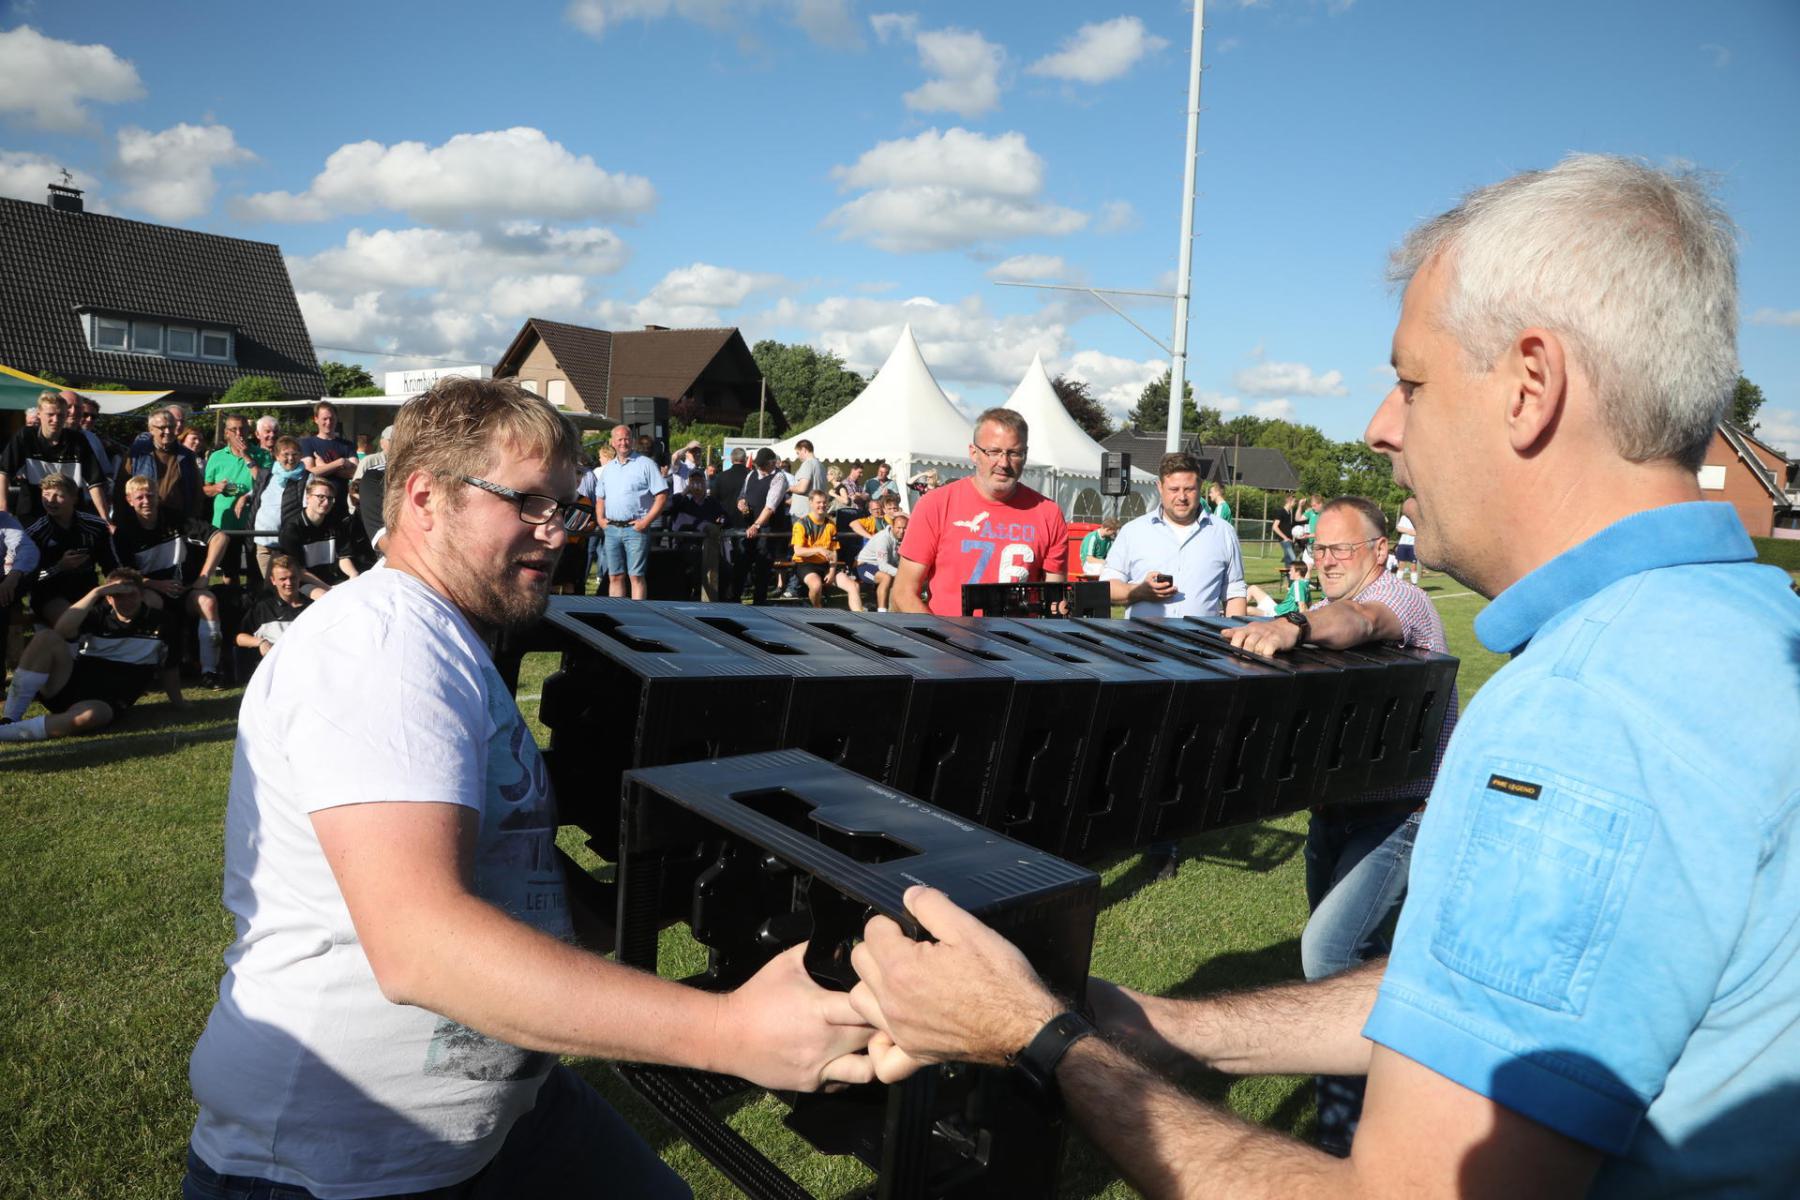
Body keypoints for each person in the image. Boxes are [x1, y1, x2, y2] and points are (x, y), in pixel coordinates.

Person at [845, 155, 1800, 1198]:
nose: (1382, 425)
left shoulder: (1588, 710)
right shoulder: (1743, 625)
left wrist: (1043, 1041)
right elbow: (1479, 1004)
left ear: (1532, 385)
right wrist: (1160, 1024)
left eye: (1412, 382)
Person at [183, 375, 874, 1198]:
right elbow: (421, 948)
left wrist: (693, 886)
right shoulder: (382, 646)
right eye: (530, 503)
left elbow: (518, 887)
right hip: (340, 1156)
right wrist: (729, 1032)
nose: (557, 531)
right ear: (425, 497)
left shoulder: (445, 639)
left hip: (494, 1120)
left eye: (567, 508)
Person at [1239, 494, 1462, 1157]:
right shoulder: (1325, 608)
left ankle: (1349, 1140)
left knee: (1328, 954)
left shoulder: (1401, 600)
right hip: (1335, 814)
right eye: (1319, 548)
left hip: (1400, 815)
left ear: (1380, 551)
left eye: (1342, 548)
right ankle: (1409, 1087)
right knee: (1355, 968)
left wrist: (1293, 624)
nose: (1327, 559)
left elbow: (1362, 619)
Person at [893, 410, 1067, 616]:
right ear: (974, 452)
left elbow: (1054, 602)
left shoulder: (1048, 514)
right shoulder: (936, 504)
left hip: (1019, 636)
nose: (1003, 463)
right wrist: (939, 634)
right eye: (993, 451)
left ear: (1025, 455)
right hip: (948, 635)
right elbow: (903, 592)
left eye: (1014, 453)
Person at [0, 567, 181, 741]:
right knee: (46, 637)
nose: (126, 601)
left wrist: (178, 702)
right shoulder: (98, 614)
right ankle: (10, 718)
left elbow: (170, 666)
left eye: (132, 595)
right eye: (118, 595)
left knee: (88, 717)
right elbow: (62, 630)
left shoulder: (162, 622)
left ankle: (5, 733)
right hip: (70, 684)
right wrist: (95, 592)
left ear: (141, 595)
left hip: (107, 699)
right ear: (108, 598)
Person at [1099, 451, 1248, 619]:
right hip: (1144, 635)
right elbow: (1107, 588)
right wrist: (1139, 591)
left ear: (1200, 486)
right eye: (1174, 489)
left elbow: (1234, 593)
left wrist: (1234, 633)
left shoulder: (1223, 532)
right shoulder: (1133, 531)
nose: (1182, 497)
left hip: (1202, 636)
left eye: (1189, 489)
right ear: (1160, 487)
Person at [112, 475, 226, 689]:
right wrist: (156, 584)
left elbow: (220, 537)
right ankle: (148, 670)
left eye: (150, 495)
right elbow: (126, 575)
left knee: (208, 601)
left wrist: (204, 577)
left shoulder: (175, 518)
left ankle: (210, 671)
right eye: (140, 497)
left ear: (158, 497)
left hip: (184, 588)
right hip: (150, 589)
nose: (146, 501)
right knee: (147, 603)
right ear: (129, 500)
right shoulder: (123, 531)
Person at [23, 473, 119, 628]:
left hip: (88, 589)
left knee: (125, 606)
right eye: (46, 495)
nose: (51, 500)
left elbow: (111, 564)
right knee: (71, 622)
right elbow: (29, 578)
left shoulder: (96, 526)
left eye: (58, 495)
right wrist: (59, 567)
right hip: (49, 594)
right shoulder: (35, 534)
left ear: (74, 498)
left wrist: (118, 585)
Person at [0, 391, 108, 522]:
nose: (55, 420)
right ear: (39, 414)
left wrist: (105, 519)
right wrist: (3, 508)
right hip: (32, 513)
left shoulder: (78, 440)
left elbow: (94, 482)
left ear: (65, 415)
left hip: (70, 514)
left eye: (60, 415)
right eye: (50, 415)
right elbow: (4, 472)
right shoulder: (25, 436)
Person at [593, 423, 669, 601]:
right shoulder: (608, 469)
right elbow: (600, 498)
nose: (623, 443)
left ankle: (637, 613)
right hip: (611, 529)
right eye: (619, 439)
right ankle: (616, 613)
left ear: (632, 441)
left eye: (627, 439)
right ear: (612, 442)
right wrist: (600, 520)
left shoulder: (646, 464)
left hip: (635, 530)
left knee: (636, 577)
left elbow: (662, 495)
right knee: (614, 576)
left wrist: (645, 522)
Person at [118, 409, 204, 532]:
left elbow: (196, 491)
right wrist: (120, 519)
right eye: (162, 427)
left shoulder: (187, 456)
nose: (167, 431)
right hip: (142, 521)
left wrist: (193, 520)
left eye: (171, 427)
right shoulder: (137, 453)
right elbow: (121, 488)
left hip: (177, 522)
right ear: (151, 429)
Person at [277, 479, 363, 598]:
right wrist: (328, 589)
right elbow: (299, 571)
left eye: (330, 498)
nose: (326, 502)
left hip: (333, 580)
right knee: (325, 597)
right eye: (321, 497)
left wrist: (354, 575)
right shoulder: (292, 529)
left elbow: (343, 557)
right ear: (308, 497)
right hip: (303, 582)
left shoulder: (336, 523)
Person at [200, 413, 260, 582]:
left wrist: (246, 456)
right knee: (229, 573)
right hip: (226, 522)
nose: (238, 434)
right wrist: (216, 488)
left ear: (248, 431)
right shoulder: (216, 457)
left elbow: (263, 482)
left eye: (242, 429)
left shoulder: (261, 454)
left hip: (254, 522)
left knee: (256, 573)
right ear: (226, 433)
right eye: (234, 430)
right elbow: (205, 489)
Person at [248, 437, 308, 581]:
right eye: (285, 454)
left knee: (287, 583)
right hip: (264, 542)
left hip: (289, 543)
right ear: (276, 456)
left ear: (300, 455)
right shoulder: (266, 475)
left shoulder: (307, 477)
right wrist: (244, 497)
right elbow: (256, 494)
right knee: (270, 584)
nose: (290, 459)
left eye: (295, 454)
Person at [739, 447, 791, 605]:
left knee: (763, 567)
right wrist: (741, 503)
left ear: (772, 463)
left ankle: (759, 603)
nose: (760, 468)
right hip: (749, 525)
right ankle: (735, 598)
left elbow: (770, 507)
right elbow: (743, 494)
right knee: (742, 563)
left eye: (762, 465)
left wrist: (756, 525)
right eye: (758, 465)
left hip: (767, 529)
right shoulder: (751, 474)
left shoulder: (779, 478)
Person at [234, 553, 310, 660]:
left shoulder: (313, 607)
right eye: (283, 579)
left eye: (292, 577)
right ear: (273, 580)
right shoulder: (263, 608)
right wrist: (261, 642)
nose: (289, 583)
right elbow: (239, 637)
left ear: (299, 578)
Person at [298, 399, 356, 519]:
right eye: (324, 419)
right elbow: (309, 472)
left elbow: (354, 472)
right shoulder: (307, 443)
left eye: (331, 418)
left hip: (341, 506)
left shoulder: (347, 445)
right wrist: (339, 463)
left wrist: (323, 466)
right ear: (316, 419)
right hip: (317, 507)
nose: (328, 422)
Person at [843, 511, 906, 612]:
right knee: (886, 578)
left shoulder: (902, 538)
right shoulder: (883, 539)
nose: (902, 531)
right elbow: (883, 566)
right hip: (863, 567)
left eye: (904, 528)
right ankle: (882, 612)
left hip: (878, 566)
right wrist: (902, 574)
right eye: (899, 528)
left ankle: (894, 610)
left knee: (896, 577)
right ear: (892, 526)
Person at [789, 490, 839, 608]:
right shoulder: (801, 524)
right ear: (811, 503)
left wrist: (832, 571)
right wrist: (818, 549)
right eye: (818, 502)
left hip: (826, 565)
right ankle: (818, 610)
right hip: (805, 564)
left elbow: (834, 551)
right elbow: (798, 551)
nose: (822, 505)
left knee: (853, 586)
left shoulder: (831, 524)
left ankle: (862, 614)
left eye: (824, 502)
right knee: (816, 586)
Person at [1247, 559, 1312, 618]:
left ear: (1298, 572)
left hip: (1276, 614)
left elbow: (1302, 606)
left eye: (1291, 570)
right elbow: (1309, 604)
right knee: (1253, 588)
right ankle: (1240, 605)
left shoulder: (1298, 584)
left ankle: (1240, 619)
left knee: (1248, 610)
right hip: (1276, 608)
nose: (1289, 572)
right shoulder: (1305, 584)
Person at [787, 438, 825, 521]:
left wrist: (788, 488)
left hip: (803, 513)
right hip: (814, 513)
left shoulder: (807, 464)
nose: (798, 456)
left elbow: (802, 489)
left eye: (798, 453)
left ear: (804, 450)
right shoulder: (821, 465)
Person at [1393, 510, 1421, 585]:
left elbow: (1418, 532)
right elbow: (1398, 528)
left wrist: (1405, 530)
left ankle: (1414, 586)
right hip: (1403, 544)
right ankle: (1398, 585)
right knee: (1401, 566)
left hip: (1413, 545)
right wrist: (1410, 531)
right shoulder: (1404, 517)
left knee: (1413, 567)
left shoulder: (1418, 518)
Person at [1275, 492, 1300, 567]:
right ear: (1289, 501)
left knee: (1288, 560)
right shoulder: (1281, 512)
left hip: (1289, 540)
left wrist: (1293, 538)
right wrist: (1285, 538)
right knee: (1293, 559)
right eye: (1294, 501)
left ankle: (1288, 574)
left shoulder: (1289, 513)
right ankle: (1293, 574)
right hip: (1284, 540)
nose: (1295, 503)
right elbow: (1275, 527)